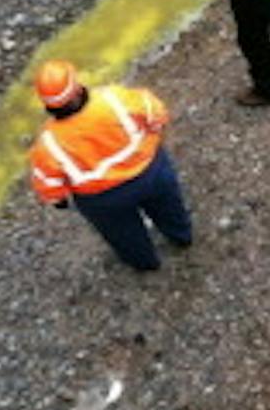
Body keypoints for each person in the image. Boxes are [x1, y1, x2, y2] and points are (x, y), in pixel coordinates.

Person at [28, 59, 194, 271]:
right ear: (77, 87)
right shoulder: (114, 99)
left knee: (123, 234)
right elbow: (156, 113)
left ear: (47, 104)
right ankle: (182, 237)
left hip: (103, 200)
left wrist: (58, 200)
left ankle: (145, 263)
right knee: (170, 209)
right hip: (150, 173)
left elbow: (48, 182)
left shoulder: (48, 142)